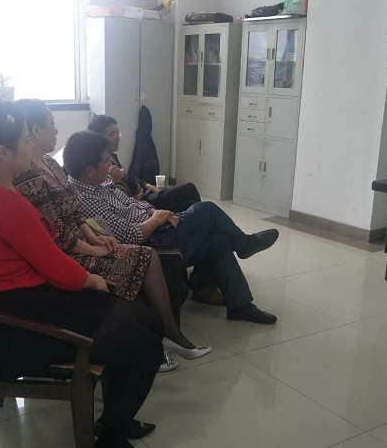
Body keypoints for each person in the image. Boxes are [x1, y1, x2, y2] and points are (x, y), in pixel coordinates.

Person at [0, 100, 163, 448]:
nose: (30, 144)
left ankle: (115, 417)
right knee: (145, 346)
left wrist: (88, 274)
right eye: (23, 139)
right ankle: (109, 442)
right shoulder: (4, 203)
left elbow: (47, 253)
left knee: (147, 321)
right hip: (16, 325)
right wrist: (93, 280)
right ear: (3, 153)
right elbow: (56, 266)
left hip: (29, 299)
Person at [8, 99, 211, 367]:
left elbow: (75, 211)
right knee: (144, 257)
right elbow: (54, 232)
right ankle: (157, 339)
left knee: (148, 255)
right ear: (34, 130)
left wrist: (93, 236)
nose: (56, 130)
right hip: (67, 253)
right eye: (51, 124)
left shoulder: (50, 164)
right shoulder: (28, 176)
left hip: (81, 241)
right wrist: (92, 248)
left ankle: (163, 336)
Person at [65, 130, 280, 325]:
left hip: (158, 226)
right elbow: (132, 235)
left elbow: (132, 202)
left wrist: (156, 212)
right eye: (106, 161)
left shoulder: (99, 184)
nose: (110, 165)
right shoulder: (85, 200)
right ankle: (244, 244)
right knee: (206, 210)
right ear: (89, 170)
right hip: (152, 242)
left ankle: (240, 306)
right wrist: (157, 220)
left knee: (219, 241)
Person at [87, 115, 201, 213]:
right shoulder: (99, 165)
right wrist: (132, 198)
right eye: (112, 134)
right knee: (188, 188)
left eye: (118, 133)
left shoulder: (112, 156)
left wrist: (148, 186)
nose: (118, 138)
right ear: (98, 138)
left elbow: (128, 176)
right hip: (139, 202)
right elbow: (111, 195)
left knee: (188, 204)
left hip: (142, 194)